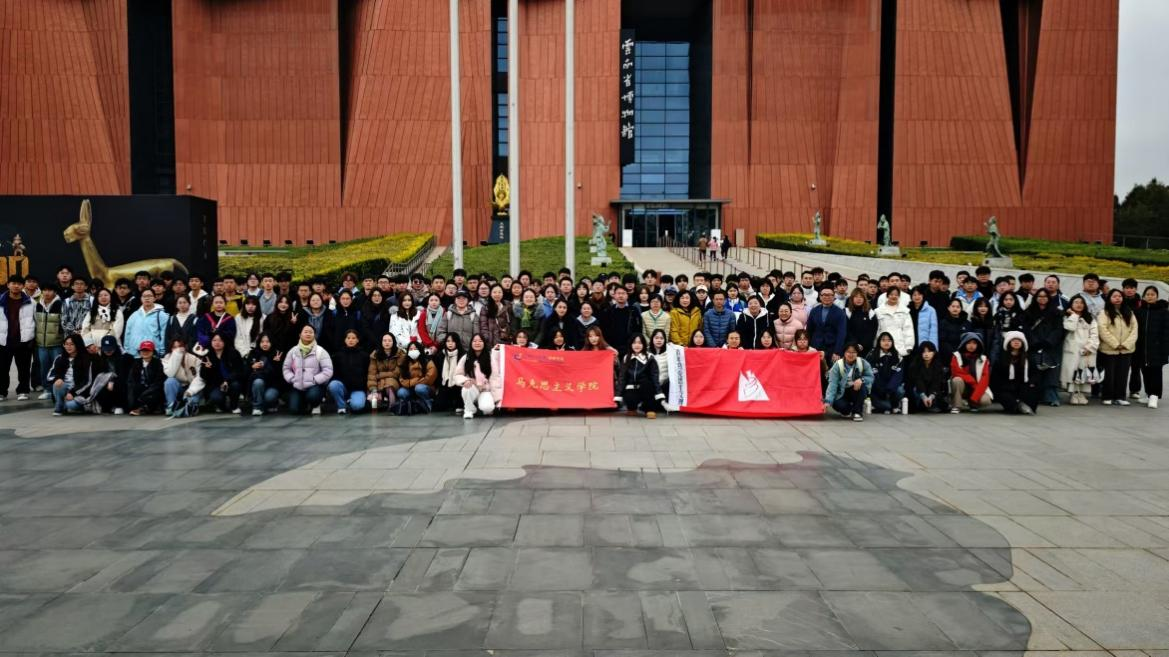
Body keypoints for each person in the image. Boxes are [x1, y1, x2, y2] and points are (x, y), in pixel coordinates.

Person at [1097, 288, 1138, 406]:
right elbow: (1102, 329)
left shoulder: (1129, 312)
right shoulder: (1104, 313)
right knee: (1109, 374)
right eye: (1114, 296)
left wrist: (1125, 344)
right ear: (1109, 299)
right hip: (1109, 349)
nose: (1117, 298)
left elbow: (1134, 330)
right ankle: (1107, 396)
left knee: (1123, 374)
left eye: (1119, 296)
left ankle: (1120, 396)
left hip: (1126, 350)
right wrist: (1115, 344)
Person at [282, 324, 333, 415]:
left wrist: (314, 379)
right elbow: (286, 369)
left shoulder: (320, 351)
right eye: (305, 332)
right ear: (300, 335)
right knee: (294, 410)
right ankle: (305, 403)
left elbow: (328, 370)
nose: (308, 334)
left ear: (314, 335)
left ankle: (316, 404)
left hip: (314, 385)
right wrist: (292, 379)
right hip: (297, 386)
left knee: (313, 396)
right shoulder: (293, 351)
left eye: (311, 332)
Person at [1025, 289, 1064, 406]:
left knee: (1051, 372)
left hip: (1051, 346)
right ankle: (1035, 396)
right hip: (1034, 346)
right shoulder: (1028, 312)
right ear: (1035, 298)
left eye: (1045, 296)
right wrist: (1035, 342)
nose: (1042, 299)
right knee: (1035, 371)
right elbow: (1026, 329)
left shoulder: (1056, 312)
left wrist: (1049, 341)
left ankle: (1051, 397)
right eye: (1040, 296)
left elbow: (1059, 329)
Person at [1, 275, 36, 401]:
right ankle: (1, 392)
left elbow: (36, 320)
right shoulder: (0, 300)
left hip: (23, 340)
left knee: (24, 368)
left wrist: (32, 338)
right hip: (4, 340)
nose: (16, 286)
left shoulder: (31, 302)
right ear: (8, 285)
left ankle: (23, 391)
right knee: (2, 369)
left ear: (23, 286)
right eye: (13, 283)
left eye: (19, 284)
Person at [1133, 286, 1169, 408]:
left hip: (1157, 348)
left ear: (1157, 296)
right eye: (1147, 294)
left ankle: (1154, 396)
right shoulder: (1139, 311)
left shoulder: (1163, 312)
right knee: (1145, 371)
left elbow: (1166, 332)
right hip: (1141, 348)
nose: (1150, 296)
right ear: (1143, 296)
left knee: (1156, 372)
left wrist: (1165, 349)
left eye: (1153, 294)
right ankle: (1148, 394)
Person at [1061, 295, 1099, 406]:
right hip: (1072, 350)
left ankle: (1081, 394)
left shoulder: (1090, 318)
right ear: (1071, 304)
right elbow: (1070, 327)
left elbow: (1094, 334)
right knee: (1073, 372)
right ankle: (1073, 394)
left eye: (1081, 302)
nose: (1079, 305)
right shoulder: (1066, 317)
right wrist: (1073, 315)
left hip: (1087, 350)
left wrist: (1090, 347)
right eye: (1076, 302)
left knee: (1085, 372)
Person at [992, 331, 1039, 415]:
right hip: (1006, 387)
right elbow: (996, 377)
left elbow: (1034, 373)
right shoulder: (1001, 358)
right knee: (1008, 401)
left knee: (1032, 395)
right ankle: (1017, 405)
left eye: (1019, 340)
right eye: (1013, 340)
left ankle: (1021, 404)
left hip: (1023, 386)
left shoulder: (1028, 358)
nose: (1016, 342)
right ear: (1008, 342)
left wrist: (1032, 383)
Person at [618, 334, 665, 418]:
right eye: (634, 343)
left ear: (644, 344)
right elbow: (622, 378)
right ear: (630, 344)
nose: (637, 345)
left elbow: (655, 377)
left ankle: (649, 409)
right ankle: (632, 408)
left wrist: (659, 393)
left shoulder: (650, 358)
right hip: (631, 387)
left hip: (646, 387)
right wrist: (618, 395)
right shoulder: (626, 358)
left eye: (640, 343)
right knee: (629, 396)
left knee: (647, 385)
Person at [823, 343, 873, 422]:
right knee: (837, 404)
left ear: (857, 353)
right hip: (842, 392)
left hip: (856, 390)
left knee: (862, 386)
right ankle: (852, 409)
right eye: (848, 352)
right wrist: (828, 401)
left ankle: (857, 412)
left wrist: (862, 380)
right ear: (844, 353)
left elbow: (870, 377)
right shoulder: (837, 365)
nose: (851, 354)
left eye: (854, 352)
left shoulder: (863, 363)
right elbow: (833, 384)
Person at [454, 334, 497, 419]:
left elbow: (495, 377)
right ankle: (469, 410)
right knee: (467, 388)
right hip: (472, 387)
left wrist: (496, 396)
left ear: (484, 343)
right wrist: (465, 380)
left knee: (488, 409)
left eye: (480, 341)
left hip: (485, 389)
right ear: (471, 343)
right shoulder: (466, 357)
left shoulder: (490, 357)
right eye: (475, 341)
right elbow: (457, 374)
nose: (477, 343)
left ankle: (480, 403)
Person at [32, 284, 63, 400]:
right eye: (44, 290)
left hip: (57, 343)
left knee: (57, 368)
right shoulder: (38, 305)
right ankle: (47, 390)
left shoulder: (61, 304)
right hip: (41, 344)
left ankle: (58, 390)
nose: (47, 293)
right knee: (44, 367)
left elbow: (64, 323)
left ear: (55, 292)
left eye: (50, 290)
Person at [328, 329, 369, 415]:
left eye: (353, 338)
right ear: (345, 340)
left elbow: (367, 373)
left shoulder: (364, 355)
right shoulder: (337, 355)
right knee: (333, 385)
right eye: (348, 338)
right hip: (343, 387)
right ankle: (342, 406)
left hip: (358, 389)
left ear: (357, 340)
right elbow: (333, 374)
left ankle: (351, 401)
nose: (351, 340)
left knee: (357, 406)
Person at [48, 334, 92, 415]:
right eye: (66, 344)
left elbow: (87, 381)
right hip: (63, 390)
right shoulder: (59, 358)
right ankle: (59, 408)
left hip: (78, 392)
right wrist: (58, 378)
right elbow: (50, 376)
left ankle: (68, 405)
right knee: (58, 383)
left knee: (71, 405)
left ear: (77, 345)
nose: (68, 347)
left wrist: (73, 393)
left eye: (71, 344)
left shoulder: (86, 359)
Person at [949, 333, 993, 413]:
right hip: (963, 386)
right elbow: (956, 372)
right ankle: (957, 406)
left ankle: (973, 404)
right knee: (957, 380)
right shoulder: (957, 356)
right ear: (964, 344)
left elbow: (985, 378)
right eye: (968, 343)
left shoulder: (983, 359)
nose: (971, 346)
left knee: (986, 400)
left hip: (976, 387)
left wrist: (975, 397)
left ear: (978, 345)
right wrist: (972, 381)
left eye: (974, 343)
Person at [200, 332, 243, 414]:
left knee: (236, 385)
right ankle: (222, 406)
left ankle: (234, 406)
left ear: (225, 341)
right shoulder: (207, 355)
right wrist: (207, 368)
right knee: (215, 397)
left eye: (220, 340)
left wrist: (227, 381)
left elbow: (239, 371)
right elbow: (203, 376)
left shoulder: (233, 353)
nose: (217, 343)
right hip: (216, 384)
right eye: (214, 340)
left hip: (231, 382)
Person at [162, 336, 202, 416]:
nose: (178, 349)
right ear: (171, 349)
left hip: (192, 388)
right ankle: (171, 406)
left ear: (185, 347)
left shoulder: (193, 358)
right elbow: (170, 373)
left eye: (180, 346)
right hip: (179, 388)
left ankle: (190, 407)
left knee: (192, 400)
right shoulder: (166, 358)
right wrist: (177, 356)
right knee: (169, 381)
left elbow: (200, 378)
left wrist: (190, 391)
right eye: (174, 347)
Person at [245, 332, 283, 416]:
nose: (265, 344)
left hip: (272, 385)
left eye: (267, 341)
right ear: (259, 343)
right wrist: (252, 367)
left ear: (271, 342)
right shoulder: (253, 353)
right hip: (257, 385)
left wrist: (276, 363)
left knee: (269, 397)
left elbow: (280, 376)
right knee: (258, 382)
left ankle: (270, 404)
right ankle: (257, 407)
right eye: (262, 342)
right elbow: (245, 373)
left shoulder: (276, 354)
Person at [867, 332, 905, 414]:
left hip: (890, 389)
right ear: (879, 342)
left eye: (889, 340)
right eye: (883, 340)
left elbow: (898, 375)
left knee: (900, 390)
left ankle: (893, 405)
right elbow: (871, 374)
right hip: (876, 389)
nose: (886, 342)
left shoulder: (897, 356)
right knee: (887, 407)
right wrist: (881, 389)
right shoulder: (872, 354)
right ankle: (887, 406)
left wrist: (889, 389)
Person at [808, 287, 848, 363]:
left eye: (829, 295)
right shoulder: (814, 311)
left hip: (832, 348)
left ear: (834, 297)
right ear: (820, 297)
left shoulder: (840, 312)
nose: (826, 297)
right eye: (824, 295)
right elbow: (809, 330)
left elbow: (841, 333)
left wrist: (837, 351)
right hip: (815, 347)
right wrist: (808, 347)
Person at [906, 341, 948, 413]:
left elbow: (937, 382)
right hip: (918, 391)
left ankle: (931, 404)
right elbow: (918, 381)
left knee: (938, 394)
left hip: (933, 391)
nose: (926, 354)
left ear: (934, 352)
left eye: (929, 351)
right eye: (924, 352)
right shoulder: (915, 365)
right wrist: (923, 396)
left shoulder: (938, 365)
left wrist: (931, 396)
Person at [127, 340, 165, 415]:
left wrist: (147, 392)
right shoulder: (136, 363)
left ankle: (147, 408)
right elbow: (131, 380)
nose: (145, 352)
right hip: (140, 390)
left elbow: (159, 381)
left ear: (153, 352)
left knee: (155, 393)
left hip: (153, 390)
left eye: (148, 350)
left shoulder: (158, 363)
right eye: (143, 350)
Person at [396, 339, 437, 410]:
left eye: (415, 349)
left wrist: (414, 383)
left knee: (419, 388)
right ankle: (412, 404)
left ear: (420, 350)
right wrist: (415, 381)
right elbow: (401, 379)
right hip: (410, 388)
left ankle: (428, 402)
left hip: (426, 387)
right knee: (401, 392)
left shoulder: (427, 360)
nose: (413, 351)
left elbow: (431, 376)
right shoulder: (405, 362)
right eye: (411, 349)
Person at [874, 287, 914, 358]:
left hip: (899, 345)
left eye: (896, 295)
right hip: (883, 345)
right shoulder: (878, 311)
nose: (894, 296)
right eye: (891, 294)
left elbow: (908, 329)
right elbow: (876, 330)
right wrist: (875, 345)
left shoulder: (904, 311)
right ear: (887, 296)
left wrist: (909, 346)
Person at [367, 333, 403, 409]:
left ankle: (392, 406)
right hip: (379, 382)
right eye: (385, 340)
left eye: (389, 340)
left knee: (389, 386)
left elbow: (397, 373)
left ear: (393, 342)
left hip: (394, 382)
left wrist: (380, 375)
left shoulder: (400, 354)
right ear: (381, 342)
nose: (387, 342)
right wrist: (373, 388)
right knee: (375, 396)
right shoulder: (375, 355)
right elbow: (372, 374)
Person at [435, 334, 465, 413]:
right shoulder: (441, 355)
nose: (450, 343)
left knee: (458, 405)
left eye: (453, 341)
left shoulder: (462, 355)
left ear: (457, 342)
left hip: (458, 384)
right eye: (448, 341)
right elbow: (438, 372)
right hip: (445, 383)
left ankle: (458, 403)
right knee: (439, 406)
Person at [844, 289, 876, 358]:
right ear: (852, 298)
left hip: (866, 347)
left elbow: (873, 330)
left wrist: (863, 344)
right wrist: (855, 344)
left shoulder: (870, 312)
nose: (859, 299)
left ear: (864, 299)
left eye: (861, 297)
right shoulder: (847, 311)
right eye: (856, 297)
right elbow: (846, 330)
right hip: (850, 347)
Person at [909, 285, 938, 349]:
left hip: (925, 344)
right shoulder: (907, 310)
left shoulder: (931, 310)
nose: (917, 297)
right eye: (914, 295)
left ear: (923, 295)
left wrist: (933, 347)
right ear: (911, 297)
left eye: (919, 294)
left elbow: (933, 331)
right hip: (910, 344)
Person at [233, 295, 262, 359]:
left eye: (253, 304)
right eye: (248, 304)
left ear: (257, 306)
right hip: (243, 353)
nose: (250, 306)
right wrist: (246, 353)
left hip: (259, 353)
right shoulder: (238, 317)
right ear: (244, 305)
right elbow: (237, 338)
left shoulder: (262, 318)